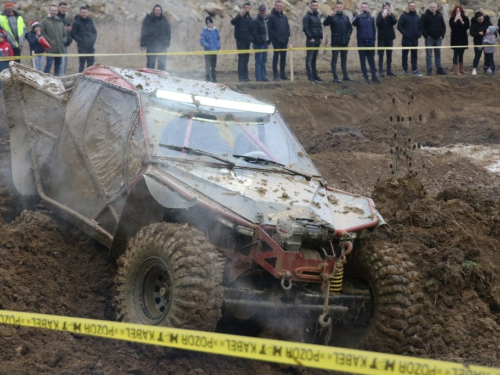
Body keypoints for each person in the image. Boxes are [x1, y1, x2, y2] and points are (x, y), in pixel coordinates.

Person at [323, 1, 353, 83]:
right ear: (335, 8)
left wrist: (348, 34)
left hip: (344, 42)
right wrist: (329, 17)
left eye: (340, 7)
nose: (339, 8)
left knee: (344, 59)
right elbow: (325, 23)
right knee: (334, 59)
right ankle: (335, 77)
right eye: (337, 7)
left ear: (342, 8)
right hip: (336, 42)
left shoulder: (346, 17)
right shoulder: (332, 16)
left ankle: (345, 76)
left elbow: (350, 27)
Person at [353, 2, 380, 84]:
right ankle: (365, 76)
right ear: (361, 8)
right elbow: (354, 23)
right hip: (361, 42)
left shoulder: (371, 18)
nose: (364, 8)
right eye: (363, 7)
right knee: (362, 60)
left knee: (371, 60)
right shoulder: (358, 17)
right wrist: (358, 15)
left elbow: (374, 29)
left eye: (366, 7)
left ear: (368, 8)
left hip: (370, 42)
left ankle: (374, 76)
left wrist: (373, 39)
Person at [140, 4, 171, 71]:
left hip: (162, 45)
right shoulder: (148, 19)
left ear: (161, 11)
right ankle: (149, 78)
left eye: (159, 10)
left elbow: (168, 32)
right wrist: (142, 43)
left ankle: (161, 78)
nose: (158, 11)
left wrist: (167, 43)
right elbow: (143, 32)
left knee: (162, 64)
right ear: (154, 11)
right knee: (150, 63)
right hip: (151, 44)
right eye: (156, 10)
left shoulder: (164, 20)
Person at [420, 2, 446, 75]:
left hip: (438, 38)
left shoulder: (439, 16)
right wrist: (426, 36)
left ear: (436, 8)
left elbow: (443, 26)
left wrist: (442, 35)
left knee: (438, 53)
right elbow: (421, 27)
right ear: (429, 8)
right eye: (431, 7)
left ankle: (439, 69)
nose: (433, 8)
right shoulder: (425, 16)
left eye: (434, 7)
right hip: (429, 38)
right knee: (429, 54)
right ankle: (429, 69)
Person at [397, 2, 423, 76]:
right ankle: (405, 70)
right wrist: (405, 34)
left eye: (414, 6)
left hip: (414, 40)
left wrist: (419, 33)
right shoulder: (404, 16)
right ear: (408, 7)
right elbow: (399, 26)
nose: (412, 7)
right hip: (406, 40)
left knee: (414, 56)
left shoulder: (417, 16)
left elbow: (420, 26)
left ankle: (414, 69)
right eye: (411, 6)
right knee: (405, 55)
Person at [41, 4, 67, 76]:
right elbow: (42, 33)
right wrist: (49, 41)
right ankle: (45, 79)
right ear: (49, 11)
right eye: (52, 10)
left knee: (58, 67)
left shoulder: (60, 22)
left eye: (55, 10)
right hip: (50, 49)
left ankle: (56, 81)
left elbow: (65, 34)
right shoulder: (44, 21)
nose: (54, 12)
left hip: (59, 49)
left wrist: (63, 42)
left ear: (57, 11)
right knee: (48, 66)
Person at [267, 1, 290, 81]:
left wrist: (287, 36)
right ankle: (275, 74)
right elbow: (269, 29)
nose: (279, 7)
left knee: (283, 58)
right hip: (276, 41)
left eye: (280, 6)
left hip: (284, 40)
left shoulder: (284, 17)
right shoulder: (271, 17)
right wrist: (275, 37)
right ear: (275, 6)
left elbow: (287, 27)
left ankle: (283, 74)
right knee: (276, 57)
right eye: (278, 6)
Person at [303, 0, 324, 83]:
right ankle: (310, 76)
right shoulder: (307, 16)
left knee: (314, 59)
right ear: (310, 6)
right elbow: (305, 28)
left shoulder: (318, 15)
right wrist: (310, 37)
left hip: (317, 39)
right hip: (311, 40)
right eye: (313, 5)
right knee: (309, 59)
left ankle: (315, 75)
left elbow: (320, 27)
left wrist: (321, 37)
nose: (315, 7)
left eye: (316, 5)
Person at [71, 6, 97, 73]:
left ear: (87, 12)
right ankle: (80, 77)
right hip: (81, 46)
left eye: (85, 12)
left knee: (91, 64)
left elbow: (94, 32)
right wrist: (81, 40)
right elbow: (73, 34)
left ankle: (90, 77)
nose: (84, 14)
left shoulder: (90, 20)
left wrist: (93, 40)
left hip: (90, 46)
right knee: (82, 64)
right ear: (80, 12)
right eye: (82, 12)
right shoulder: (76, 22)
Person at [231, 2, 252, 82]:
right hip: (240, 40)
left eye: (248, 8)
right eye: (246, 8)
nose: (247, 9)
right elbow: (233, 22)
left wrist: (251, 38)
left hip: (247, 40)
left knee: (246, 58)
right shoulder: (239, 16)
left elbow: (251, 29)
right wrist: (240, 16)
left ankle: (246, 76)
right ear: (243, 8)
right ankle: (241, 76)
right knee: (241, 58)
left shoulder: (249, 18)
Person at [376, 1, 397, 77]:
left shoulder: (391, 15)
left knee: (389, 55)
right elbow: (378, 24)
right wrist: (382, 17)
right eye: (385, 6)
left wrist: (390, 15)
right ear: (383, 7)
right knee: (381, 55)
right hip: (381, 38)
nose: (386, 7)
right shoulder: (379, 15)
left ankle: (389, 71)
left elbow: (394, 22)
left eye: (387, 6)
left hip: (389, 38)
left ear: (389, 7)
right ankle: (381, 71)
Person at [449, 5, 469, 75]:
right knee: (456, 54)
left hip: (463, 38)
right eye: (457, 11)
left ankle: (461, 69)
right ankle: (456, 70)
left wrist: (461, 21)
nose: (458, 12)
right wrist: (455, 20)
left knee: (461, 54)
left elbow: (466, 27)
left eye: (459, 11)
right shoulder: (452, 18)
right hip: (455, 39)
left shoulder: (465, 18)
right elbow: (452, 26)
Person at [252, 5, 270, 82]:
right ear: (259, 11)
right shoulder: (255, 21)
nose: (262, 12)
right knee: (258, 61)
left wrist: (269, 40)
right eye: (261, 11)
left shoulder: (266, 20)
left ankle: (263, 76)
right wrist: (259, 41)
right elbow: (254, 33)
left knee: (264, 61)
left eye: (264, 11)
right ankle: (258, 77)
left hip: (265, 43)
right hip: (259, 44)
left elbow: (268, 31)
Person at [199, 16, 220, 82]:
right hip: (207, 51)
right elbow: (202, 41)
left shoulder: (215, 30)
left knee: (213, 66)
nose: (209, 24)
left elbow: (218, 39)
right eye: (207, 23)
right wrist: (208, 46)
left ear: (212, 23)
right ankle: (208, 78)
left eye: (210, 23)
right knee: (207, 65)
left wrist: (218, 46)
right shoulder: (204, 31)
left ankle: (214, 78)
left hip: (214, 51)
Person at [57, 2, 73, 76]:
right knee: (61, 64)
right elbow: (56, 29)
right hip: (60, 44)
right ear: (59, 8)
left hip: (66, 44)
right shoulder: (56, 18)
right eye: (62, 8)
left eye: (65, 8)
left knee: (65, 64)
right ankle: (60, 79)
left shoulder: (65, 19)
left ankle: (63, 78)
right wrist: (65, 28)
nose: (64, 9)